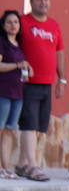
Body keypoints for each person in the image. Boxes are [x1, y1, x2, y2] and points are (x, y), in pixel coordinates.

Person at [16, 0, 64, 182]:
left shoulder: (54, 25)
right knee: (28, 124)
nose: (43, 2)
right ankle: (33, 166)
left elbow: (59, 52)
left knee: (37, 128)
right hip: (27, 82)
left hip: (47, 83)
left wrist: (62, 79)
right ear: (31, 2)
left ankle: (22, 164)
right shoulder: (22, 22)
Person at [0, 10, 29, 179]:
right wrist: (18, 65)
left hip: (18, 94)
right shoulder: (2, 42)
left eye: (16, 22)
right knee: (1, 128)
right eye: (9, 22)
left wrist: (27, 68)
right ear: (3, 25)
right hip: (3, 92)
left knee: (10, 130)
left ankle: (6, 167)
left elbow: (21, 65)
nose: (13, 25)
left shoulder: (19, 44)